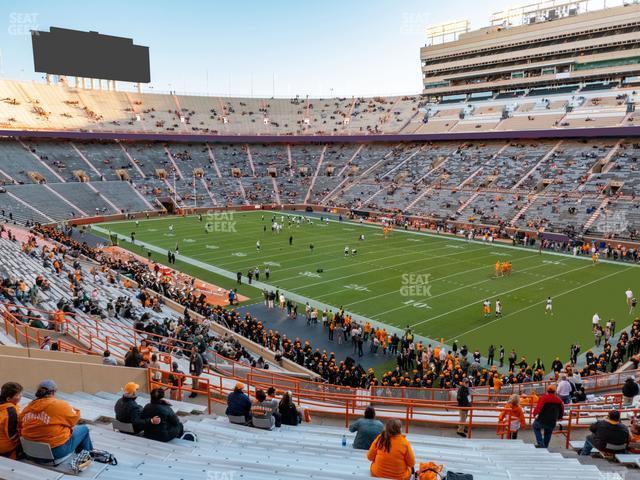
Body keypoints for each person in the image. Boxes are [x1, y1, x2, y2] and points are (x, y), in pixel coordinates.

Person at [20, 379, 93, 460]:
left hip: (30, 452)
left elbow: (20, 422)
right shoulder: (59, 405)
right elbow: (75, 417)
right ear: (53, 392)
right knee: (84, 429)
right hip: (54, 453)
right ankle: (86, 458)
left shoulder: (28, 407)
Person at [0, 382, 23, 459]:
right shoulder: (10, 412)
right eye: (17, 395)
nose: (21, 396)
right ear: (8, 399)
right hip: (4, 448)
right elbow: (12, 435)